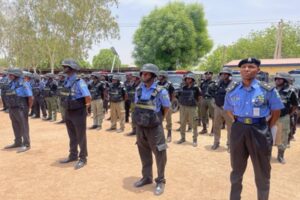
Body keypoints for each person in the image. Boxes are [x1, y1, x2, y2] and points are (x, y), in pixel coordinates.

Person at [224, 57, 284, 200]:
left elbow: (276, 111)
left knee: (262, 171)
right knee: (236, 170)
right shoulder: (232, 89)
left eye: (251, 66)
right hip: (238, 129)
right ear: (240, 70)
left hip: (259, 129)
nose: (246, 69)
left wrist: (268, 127)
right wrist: (239, 121)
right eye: (244, 67)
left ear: (258, 70)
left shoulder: (267, 89)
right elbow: (229, 110)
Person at [132, 63, 170, 196]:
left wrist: (159, 121)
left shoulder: (161, 91)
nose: (143, 75)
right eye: (142, 73)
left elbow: (166, 108)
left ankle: (160, 180)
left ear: (153, 76)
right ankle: (147, 177)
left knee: (160, 154)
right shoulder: (138, 90)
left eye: (146, 74)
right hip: (140, 127)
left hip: (155, 129)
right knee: (144, 153)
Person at [59, 59, 91, 170]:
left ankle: (83, 158)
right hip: (68, 110)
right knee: (72, 135)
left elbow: (87, 96)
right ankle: (73, 155)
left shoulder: (79, 81)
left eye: (65, 67)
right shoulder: (66, 80)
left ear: (71, 68)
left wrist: (86, 108)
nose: (64, 69)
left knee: (80, 136)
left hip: (78, 111)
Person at [3, 68, 33, 153]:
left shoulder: (24, 83)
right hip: (12, 107)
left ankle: (26, 144)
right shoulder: (12, 83)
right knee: (15, 125)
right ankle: (17, 142)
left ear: (16, 75)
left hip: (21, 108)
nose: (9, 76)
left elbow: (30, 97)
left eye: (10, 74)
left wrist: (28, 108)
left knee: (24, 126)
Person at [274, 72, 298, 164]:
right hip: (270, 117)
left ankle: (280, 155)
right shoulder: (271, 90)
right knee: (268, 135)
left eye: (280, 79)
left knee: (282, 136)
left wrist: (289, 114)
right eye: (276, 79)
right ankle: (266, 154)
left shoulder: (290, 91)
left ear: (285, 81)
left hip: (282, 117)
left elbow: (295, 105)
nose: (277, 80)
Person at [210, 67, 233, 150]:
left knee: (230, 127)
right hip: (218, 107)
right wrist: (214, 101)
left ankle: (230, 144)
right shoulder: (218, 83)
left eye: (225, 74)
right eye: (222, 74)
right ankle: (216, 142)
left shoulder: (233, 85)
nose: (223, 75)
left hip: (229, 109)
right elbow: (212, 92)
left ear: (229, 75)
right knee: (216, 125)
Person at [176, 73, 201, 147]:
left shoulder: (196, 88)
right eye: (187, 78)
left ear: (192, 80)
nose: (188, 80)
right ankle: (182, 138)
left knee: (194, 123)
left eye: (189, 78)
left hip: (192, 108)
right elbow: (179, 95)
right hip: (183, 107)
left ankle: (195, 139)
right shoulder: (183, 87)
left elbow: (199, 97)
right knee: (182, 123)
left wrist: (196, 104)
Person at [157, 70, 175, 142]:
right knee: (158, 120)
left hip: (166, 105)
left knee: (168, 120)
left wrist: (170, 102)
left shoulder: (169, 84)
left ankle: (169, 134)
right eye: (159, 75)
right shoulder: (157, 83)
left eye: (160, 76)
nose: (159, 77)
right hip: (158, 104)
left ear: (164, 76)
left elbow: (173, 94)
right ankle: (159, 135)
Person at [199, 71, 215, 135]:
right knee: (203, 115)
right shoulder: (203, 83)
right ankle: (204, 129)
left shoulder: (214, 83)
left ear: (211, 75)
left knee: (213, 116)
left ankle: (213, 130)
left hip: (211, 99)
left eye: (209, 74)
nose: (207, 76)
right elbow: (200, 90)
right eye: (206, 74)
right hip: (203, 99)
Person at [126, 72, 141, 136]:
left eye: (134, 77)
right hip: (133, 102)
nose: (132, 78)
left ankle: (139, 131)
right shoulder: (131, 84)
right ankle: (134, 130)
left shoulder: (142, 85)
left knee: (140, 117)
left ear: (137, 78)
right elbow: (128, 90)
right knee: (133, 116)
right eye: (132, 77)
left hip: (140, 103)